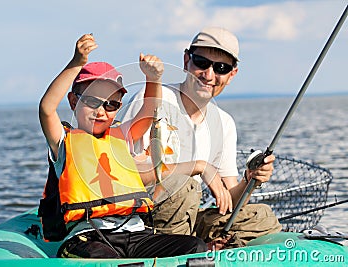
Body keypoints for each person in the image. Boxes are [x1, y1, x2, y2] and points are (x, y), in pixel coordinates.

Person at [38, 33, 207, 258]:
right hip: (90, 237)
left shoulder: (122, 136)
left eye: (111, 104)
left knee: (195, 247)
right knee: (104, 259)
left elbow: (148, 113)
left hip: (136, 233)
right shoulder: (63, 140)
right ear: (73, 101)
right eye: (91, 101)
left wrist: (153, 79)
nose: (101, 111)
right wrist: (76, 63)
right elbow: (47, 108)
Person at [119, 27, 282, 249]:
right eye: (201, 63)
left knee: (262, 216)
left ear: (232, 75)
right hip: (143, 218)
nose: (209, 75)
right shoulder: (153, 99)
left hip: (190, 215)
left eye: (221, 68)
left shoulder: (224, 123)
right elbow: (122, 174)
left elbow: (229, 202)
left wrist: (251, 179)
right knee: (183, 186)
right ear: (186, 61)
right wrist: (199, 166)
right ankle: (185, 249)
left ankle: (205, 245)